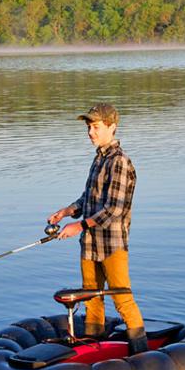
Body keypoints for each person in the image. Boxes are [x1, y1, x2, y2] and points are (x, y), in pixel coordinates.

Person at [47, 103, 148, 355]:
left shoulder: (120, 163)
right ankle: (94, 351)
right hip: (90, 244)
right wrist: (67, 211)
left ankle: (143, 355)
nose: (90, 133)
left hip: (112, 244)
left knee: (122, 298)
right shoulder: (98, 160)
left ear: (112, 127)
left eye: (95, 127)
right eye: (88, 127)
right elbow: (88, 200)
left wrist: (78, 226)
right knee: (91, 298)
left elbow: (113, 209)